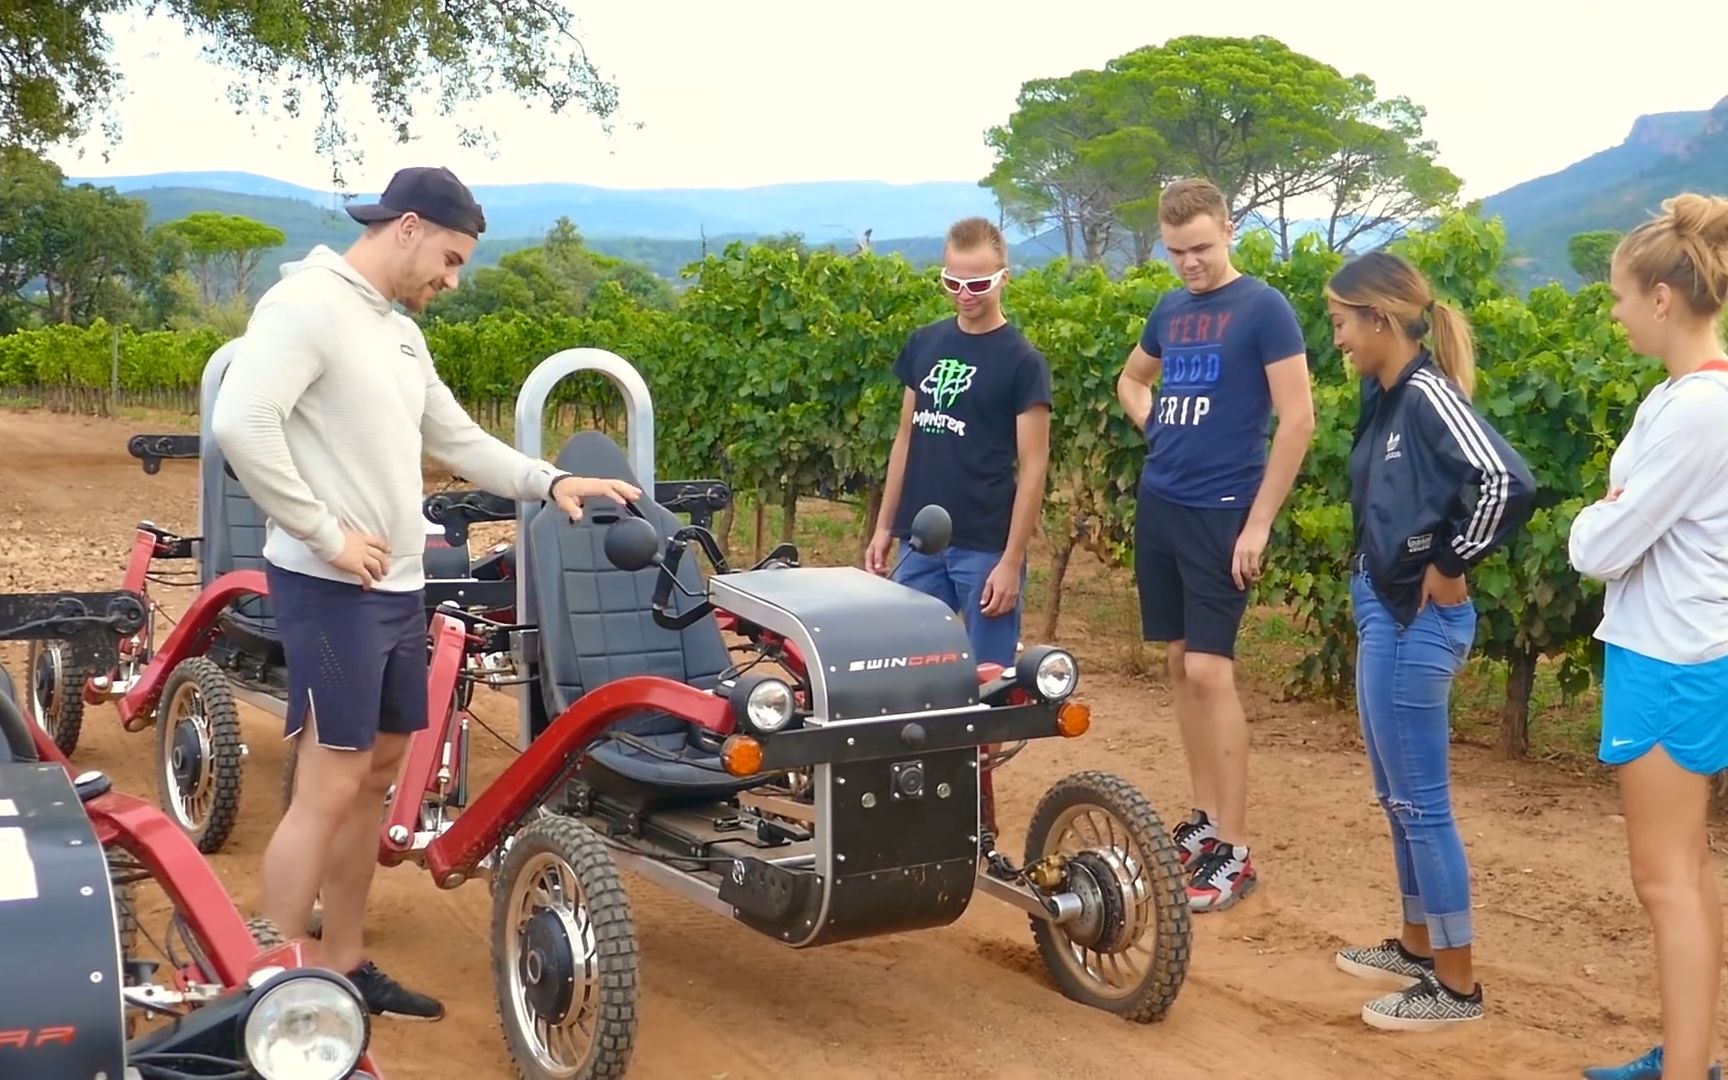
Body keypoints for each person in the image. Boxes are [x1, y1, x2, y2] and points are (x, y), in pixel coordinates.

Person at [210, 165, 641, 1022]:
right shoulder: (307, 306)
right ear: (407, 227)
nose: (451, 279)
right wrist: (326, 532)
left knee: (374, 776)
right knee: (329, 784)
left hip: (395, 587)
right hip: (330, 584)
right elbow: (239, 423)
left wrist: (551, 480)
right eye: (448, 259)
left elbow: (456, 438)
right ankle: (264, 992)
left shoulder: (398, 333)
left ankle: (345, 962)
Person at [1324, 250, 1536, 1032]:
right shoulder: (1385, 397)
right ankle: (1418, 949)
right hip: (1386, 606)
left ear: (1380, 318)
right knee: (1398, 796)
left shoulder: (1425, 394)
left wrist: (1451, 562)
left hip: (1418, 616)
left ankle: (1456, 989)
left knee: (1422, 803)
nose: (1338, 338)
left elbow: (1506, 482)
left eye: (1343, 322)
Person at [1115, 177, 1315, 912]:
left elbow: (1297, 422)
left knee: (1209, 669)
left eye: (1199, 248)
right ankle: (1202, 823)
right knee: (1177, 661)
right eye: (1175, 252)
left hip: (1224, 510)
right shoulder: (1170, 307)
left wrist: (1258, 523)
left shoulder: (1264, 309)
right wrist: (1153, 421)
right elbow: (1131, 379)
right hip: (1162, 502)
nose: (1189, 263)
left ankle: (1234, 848)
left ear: (1229, 230)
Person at [1568, 193, 1728, 1080]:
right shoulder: (1686, 399)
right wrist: (1617, 516)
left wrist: (1601, 517)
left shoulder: (1697, 411)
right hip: (1675, 651)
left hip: (1668, 659)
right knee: (1686, 874)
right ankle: (1691, 1055)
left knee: (1664, 879)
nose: (1619, 310)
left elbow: (1601, 545)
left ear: (1663, 298)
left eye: (1623, 295)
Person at [864, 215, 1051, 839]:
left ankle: (978, 826)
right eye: (953, 281)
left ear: (1004, 276)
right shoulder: (925, 342)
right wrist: (883, 527)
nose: (965, 295)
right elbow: (905, 440)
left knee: (986, 692)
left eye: (979, 283)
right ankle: (918, 814)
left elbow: (1034, 468)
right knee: (910, 679)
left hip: (984, 550)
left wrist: (1010, 559)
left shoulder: (1023, 362)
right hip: (923, 544)